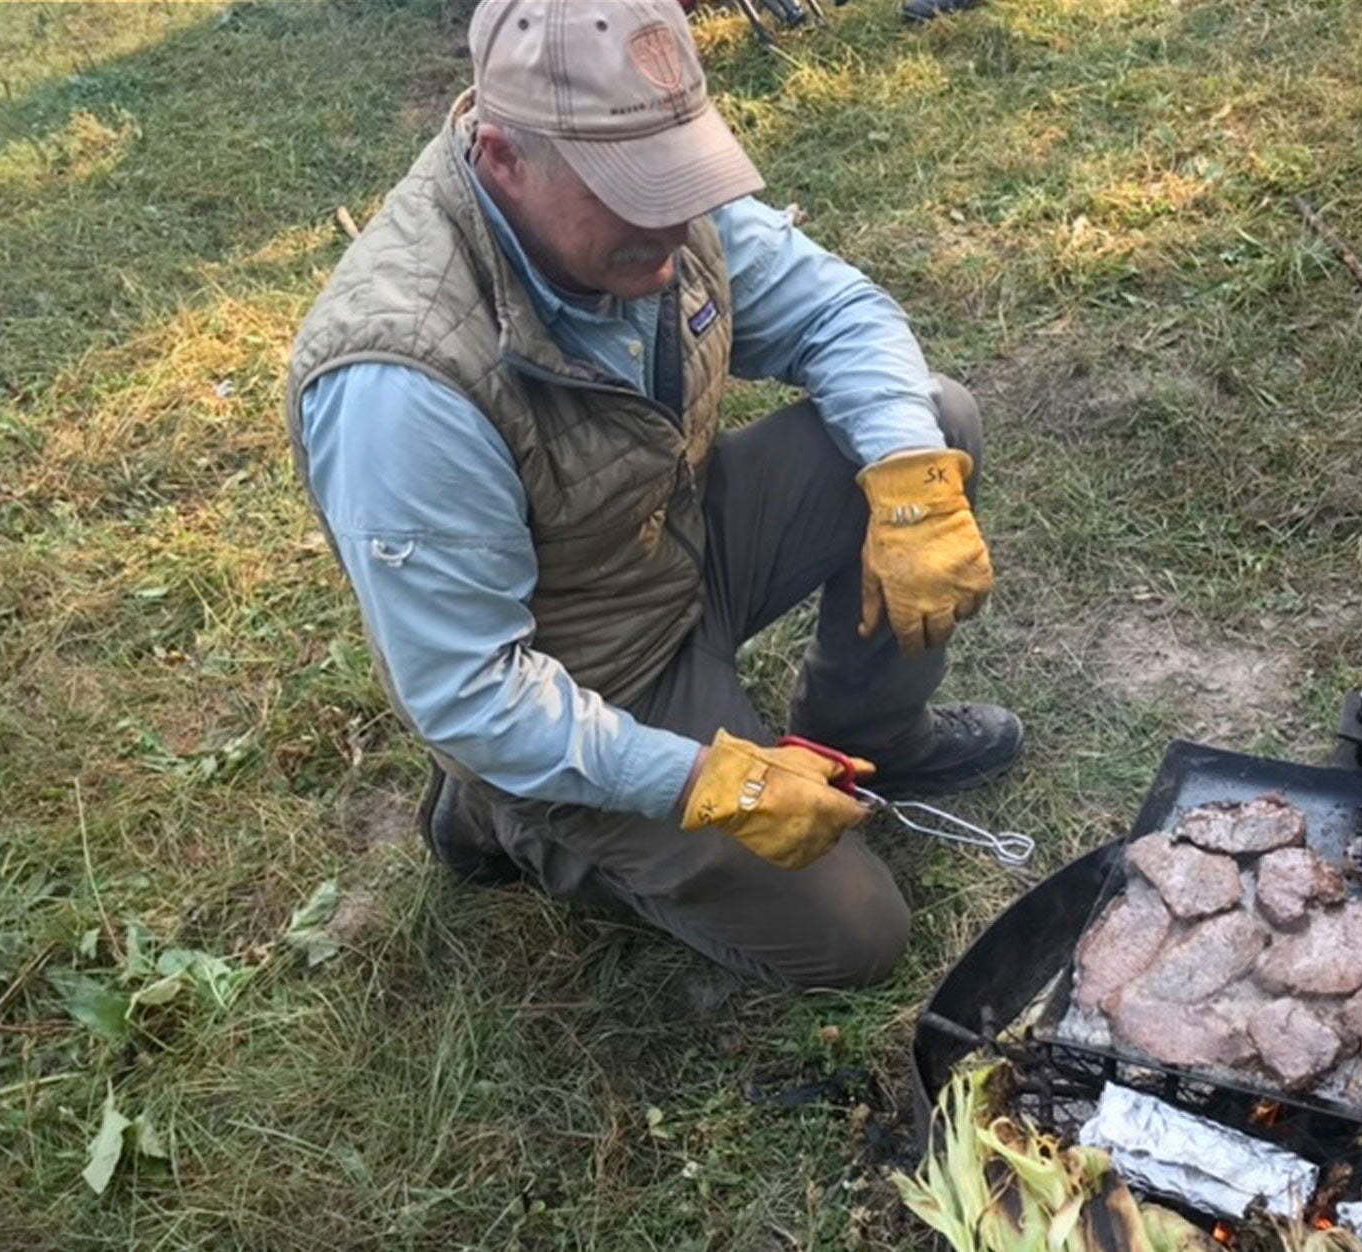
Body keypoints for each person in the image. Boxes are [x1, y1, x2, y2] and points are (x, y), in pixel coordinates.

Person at [285, 0, 1021, 990]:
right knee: (855, 935)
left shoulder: (655, 209)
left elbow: (838, 314)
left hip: (668, 544)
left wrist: (907, 480)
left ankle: (867, 737)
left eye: (682, 172)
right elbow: (470, 691)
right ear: (501, 157)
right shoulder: (402, 383)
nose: (674, 220)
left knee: (930, 424)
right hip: (573, 673)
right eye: (633, 190)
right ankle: (506, 816)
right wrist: (707, 781)